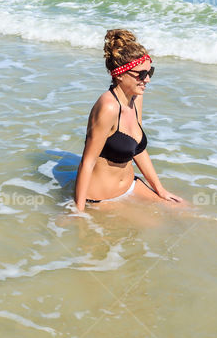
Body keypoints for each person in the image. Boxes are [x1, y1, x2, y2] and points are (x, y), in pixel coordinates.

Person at [74, 29, 183, 211]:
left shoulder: (136, 97)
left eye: (150, 72)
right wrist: (78, 211)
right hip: (100, 199)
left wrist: (160, 190)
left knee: (186, 212)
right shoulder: (108, 107)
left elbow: (138, 148)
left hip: (130, 186)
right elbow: (87, 162)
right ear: (119, 74)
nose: (147, 80)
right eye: (141, 74)